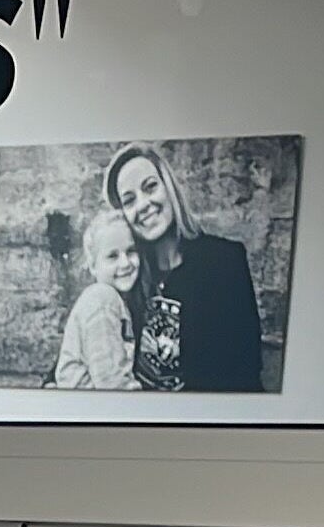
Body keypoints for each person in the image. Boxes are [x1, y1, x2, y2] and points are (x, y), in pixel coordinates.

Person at [105, 144, 269, 393]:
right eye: (129, 201)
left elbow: (246, 369)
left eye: (150, 187)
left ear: (169, 188)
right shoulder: (127, 277)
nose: (143, 204)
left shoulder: (224, 261)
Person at [52, 208, 143, 390]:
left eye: (131, 251)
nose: (125, 263)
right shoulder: (103, 300)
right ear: (93, 266)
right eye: (112, 256)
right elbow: (111, 380)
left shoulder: (115, 299)